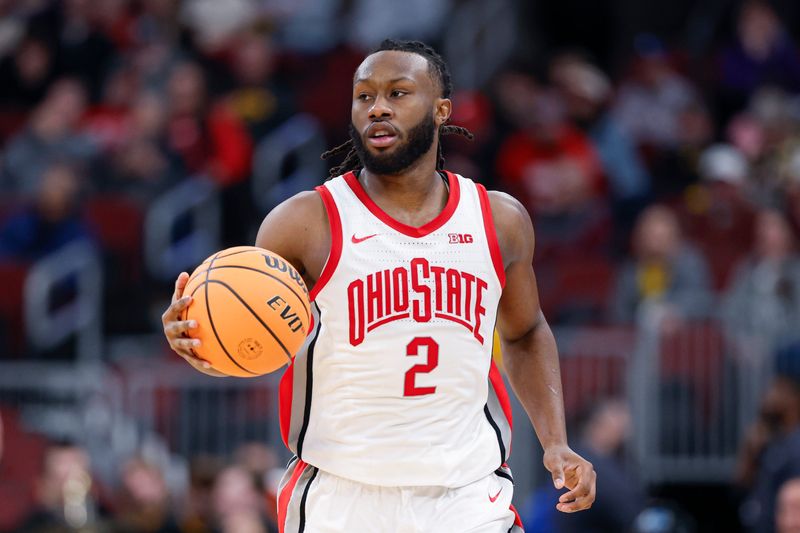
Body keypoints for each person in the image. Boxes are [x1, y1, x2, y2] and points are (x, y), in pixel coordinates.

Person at [162, 39, 596, 532]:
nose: (378, 108)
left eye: (398, 93)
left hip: (468, 496)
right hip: (343, 498)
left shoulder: (499, 220)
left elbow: (524, 332)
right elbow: (252, 339)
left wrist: (555, 440)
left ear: (440, 110)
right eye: (364, 96)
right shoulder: (305, 222)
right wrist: (201, 347)